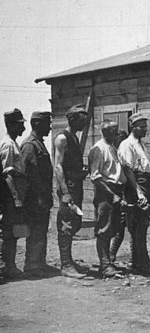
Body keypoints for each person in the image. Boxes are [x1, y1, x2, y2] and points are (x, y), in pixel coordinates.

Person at [53, 104, 89, 279]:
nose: (84, 124)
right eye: (82, 120)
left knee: (76, 222)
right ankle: (66, 265)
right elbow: (58, 166)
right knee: (67, 224)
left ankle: (69, 261)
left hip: (77, 185)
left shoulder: (74, 137)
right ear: (72, 119)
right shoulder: (62, 138)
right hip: (69, 188)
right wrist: (65, 192)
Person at [118, 113, 150, 277]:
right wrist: (138, 191)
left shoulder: (141, 144)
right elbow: (128, 170)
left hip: (145, 182)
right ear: (133, 127)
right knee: (140, 224)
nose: (145, 129)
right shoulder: (127, 145)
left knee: (141, 225)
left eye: (145, 126)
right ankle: (142, 264)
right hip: (137, 184)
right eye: (141, 126)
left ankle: (136, 262)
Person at [88, 120, 127, 278]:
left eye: (116, 131)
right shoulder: (98, 149)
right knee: (104, 229)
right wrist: (113, 195)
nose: (116, 134)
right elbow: (95, 177)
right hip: (106, 193)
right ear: (105, 132)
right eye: (113, 131)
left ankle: (108, 262)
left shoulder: (112, 148)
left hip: (116, 191)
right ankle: (105, 266)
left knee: (115, 228)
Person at [20, 110, 56, 278]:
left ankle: (39, 262)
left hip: (42, 196)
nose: (50, 127)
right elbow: (30, 175)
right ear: (36, 124)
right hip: (35, 198)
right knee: (35, 230)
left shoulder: (38, 143)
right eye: (47, 124)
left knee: (41, 230)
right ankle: (32, 265)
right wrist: (40, 196)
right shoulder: (30, 145)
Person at [0, 109, 29, 279]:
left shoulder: (13, 143)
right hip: (10, 196)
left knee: (12, 231)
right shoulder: (8, 145)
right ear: (10, 125)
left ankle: (9, 265)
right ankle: (6, 266)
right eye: (20, 125)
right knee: (8, 231)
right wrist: (16, 199)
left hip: (14, 195)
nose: (23, 129)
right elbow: (7, 174)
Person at [108, 130, 130, 266]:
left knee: (120, 230)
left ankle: (111, 256)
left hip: (124, 194)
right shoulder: (112, 154)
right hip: (113, 195)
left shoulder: (123, 155)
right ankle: (107, 258)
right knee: (112, 228)